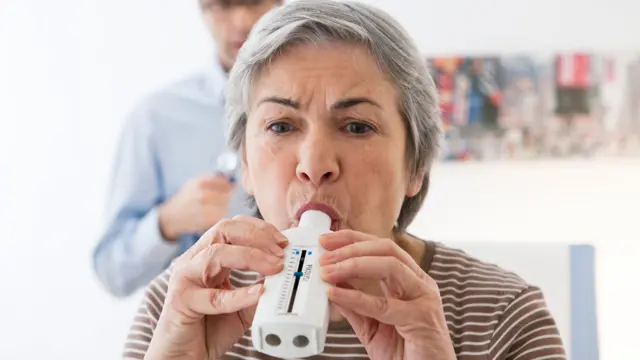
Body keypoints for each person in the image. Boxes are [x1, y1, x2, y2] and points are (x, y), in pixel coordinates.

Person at [122, 1, 567, 359]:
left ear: (416, 166)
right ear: (246, 165)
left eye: (357, 126)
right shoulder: (183, 308)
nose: (315, 165)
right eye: (281, 126)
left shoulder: (503, 318)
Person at [92, 0, 283, 298]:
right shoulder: (156, 119)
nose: (241, 21)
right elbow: (112, 273)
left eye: (255, 1)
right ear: (202, 9)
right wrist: (167, 222)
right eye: (222, 5)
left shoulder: (331, 106)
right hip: (197, 335)